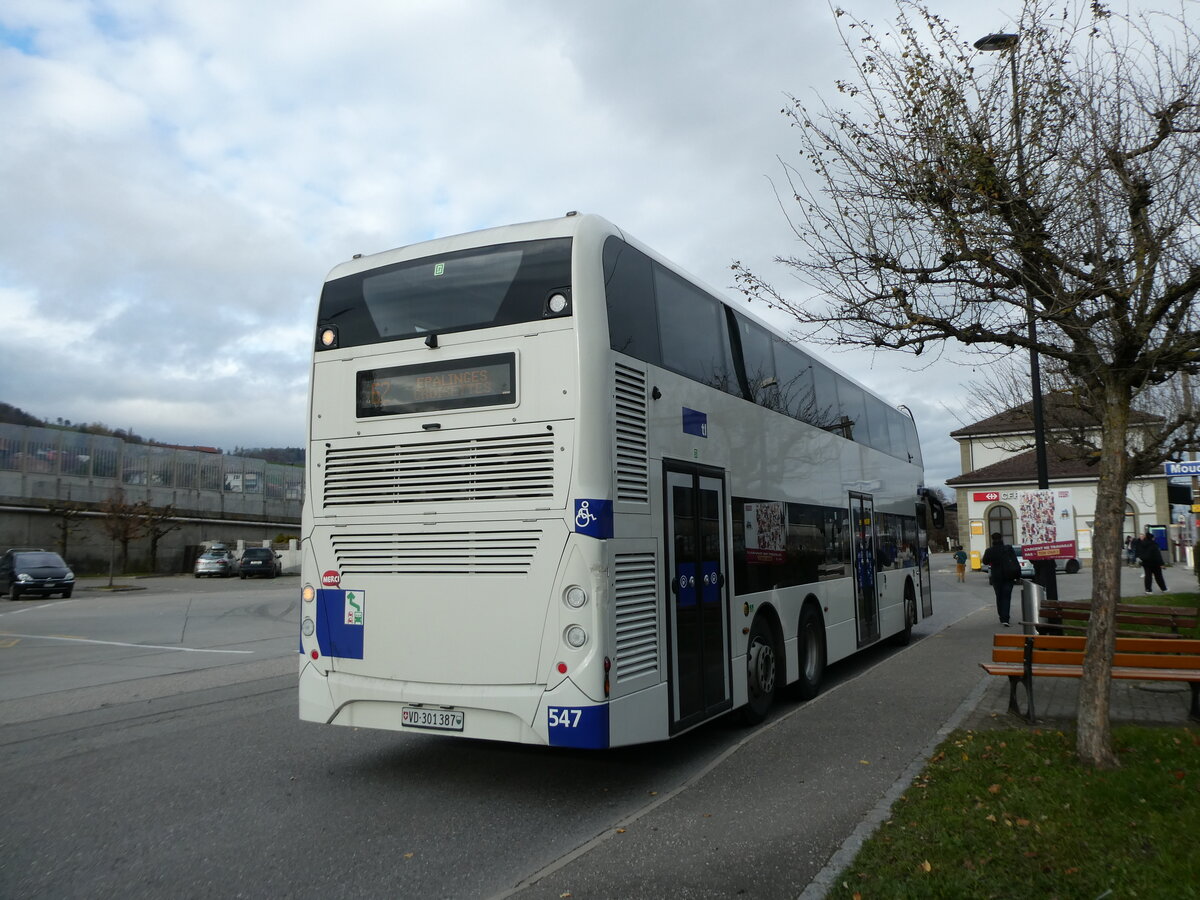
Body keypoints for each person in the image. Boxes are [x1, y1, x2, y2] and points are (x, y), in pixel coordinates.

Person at [980, 532, 1020, 626]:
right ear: (1002, 538)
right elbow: (1015, 562)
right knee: (1007, 597)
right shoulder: (1008, 549)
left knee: (999, 597)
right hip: (1009, 576)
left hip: (996, 577)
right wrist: (1017, 576)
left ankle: (1002, 617)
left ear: (992, 539)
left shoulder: (990, 550)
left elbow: (985, 562)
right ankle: (1006, 618)